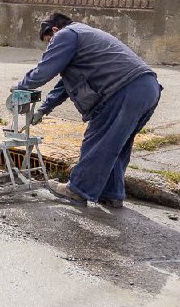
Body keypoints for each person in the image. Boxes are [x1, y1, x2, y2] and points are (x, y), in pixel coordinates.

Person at [15, 12, 161, 207]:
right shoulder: (85, 35)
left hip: (123, 90)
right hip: (147, 88)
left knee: (97, 141)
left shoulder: (65, 35)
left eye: (48, 41)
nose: (50, 46)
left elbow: (44, 70)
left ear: (55, 30)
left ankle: (77, 190)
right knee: (116, 144)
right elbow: (64, 85)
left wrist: (20, 88)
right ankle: (111, 193)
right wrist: (43, 109)